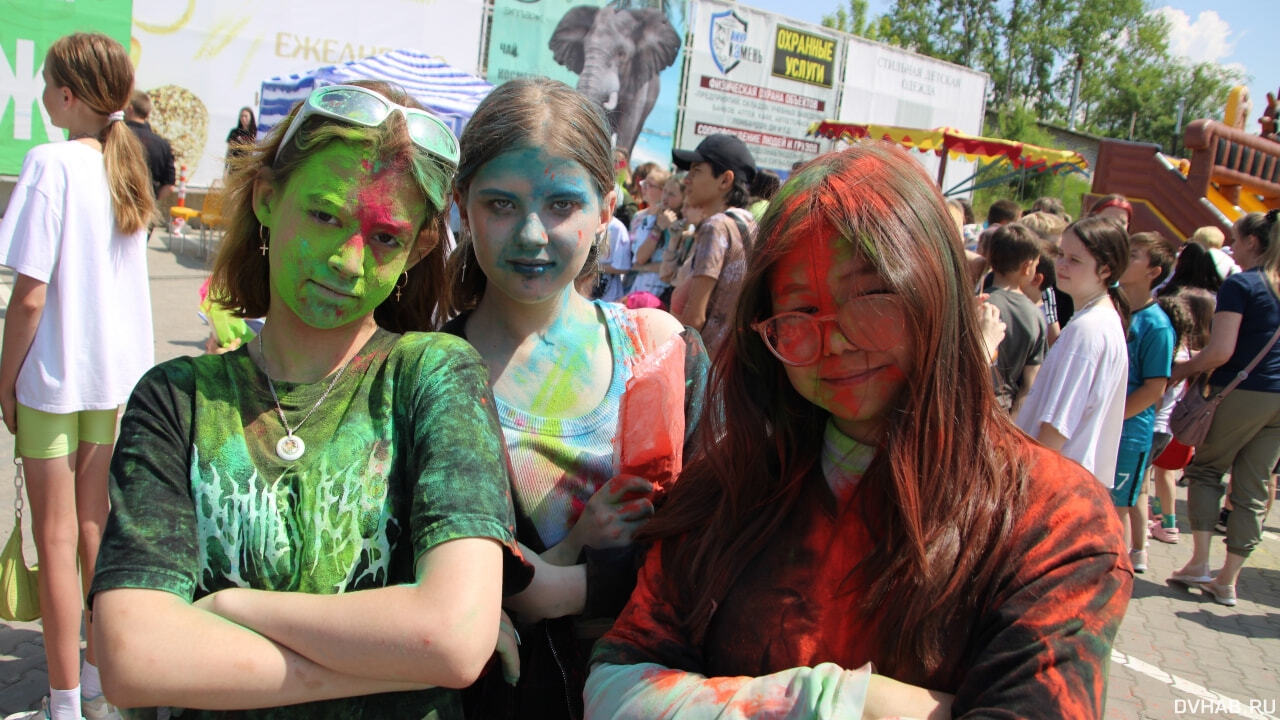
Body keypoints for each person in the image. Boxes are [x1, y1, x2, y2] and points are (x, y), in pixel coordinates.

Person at [585, 144, 1131, 718]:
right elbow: (618, 681)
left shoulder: (1056, 521)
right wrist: (840, 702)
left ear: (936, 290)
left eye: (870, 297)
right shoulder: (731, 485)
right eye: (797, 311)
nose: (837, 339)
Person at [87, 80, 530, 718]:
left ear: (420, 247)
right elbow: (134, 657)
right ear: (268, 198)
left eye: (385, 237)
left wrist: (233, 607)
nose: (349, 261)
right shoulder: (176, 401)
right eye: (325, 216)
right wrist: (394, 662)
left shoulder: (433, 377)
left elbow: (452, 639)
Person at [440, 77, 709, 720]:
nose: (532, 234)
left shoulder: (662, 353)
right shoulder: (427, 373)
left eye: (562, 205)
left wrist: (569, 587)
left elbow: (720, 547)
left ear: (606, 207)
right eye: (501, 205)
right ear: (460, 205)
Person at [0, 33, 156, 720]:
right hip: (111, 383)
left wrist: (4, 383)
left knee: (57, 541)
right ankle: (99, 688)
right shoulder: (126, 167)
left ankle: (62, 706)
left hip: (53, 382)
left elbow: (28, 295)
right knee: (92, 531)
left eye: (45, 83)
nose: (39, 95)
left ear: (68, 95)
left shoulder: (50, 163)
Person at [1168, 211, 1280, 607]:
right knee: (1253, 488)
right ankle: (1228, 579)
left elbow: (1221, 351)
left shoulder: (1244, 285)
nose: (1231, 245)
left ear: (1256, 242)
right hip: (1277, 400)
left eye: (1236, 237)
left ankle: (1199, 562)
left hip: (1242, 390)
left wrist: (1180, 370)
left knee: (1206, 470)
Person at [1015, 216, 1131, 486]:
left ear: (1105, 270)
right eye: (1061, 254)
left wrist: (1024, 483)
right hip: (1072, 482)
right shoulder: (1101, 320)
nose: (1062, 265)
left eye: (1075, 260)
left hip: (1053, 482)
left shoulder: (1087, 330)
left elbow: (1057, 426)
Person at [1113, 231, 1177, 572]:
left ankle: (1115, 578)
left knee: (1115, 512)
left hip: (1129, 434)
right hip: (1106, 428)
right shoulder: (1112, 307)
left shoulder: (1157, 326)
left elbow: (1155, 388)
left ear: (1153, 271)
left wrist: (1112, 419)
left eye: (1135, 254)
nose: (1126, 258)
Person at [669, 134, 758, 357]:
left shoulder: (716, 227)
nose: (687, 179)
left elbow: (695, 320)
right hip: (733, 364)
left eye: (696, 171)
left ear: (725, 180)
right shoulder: (749, 223)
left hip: (707, 367)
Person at [1148, 288, 1214, 544]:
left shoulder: (1178, 352)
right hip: (1178, 425)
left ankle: (1153, 523)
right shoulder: (1199, 354)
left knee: (1148, 478)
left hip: (1163, 423)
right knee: (1165, 474)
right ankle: (1169, 521)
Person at [985, 223, 1047, 413]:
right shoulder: (1036, 316)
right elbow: (1030, 385)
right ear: (1027, 267)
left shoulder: (977, 305)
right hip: (1002, 413)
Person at [628, 172, 681, 306]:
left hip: (662, 298)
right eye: (665, 192)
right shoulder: (650, 219)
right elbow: (639, 258)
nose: (665, 198)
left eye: (672, 194)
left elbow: (672, 269)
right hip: (640, 292)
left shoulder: (684, 227)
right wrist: (658, 228)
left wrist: (644, 267)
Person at [124, 89, 176, 202]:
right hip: (146, 207)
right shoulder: (163, 145)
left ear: (129, 109)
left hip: (117, 204)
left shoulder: (116, 137)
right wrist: (152, 204)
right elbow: (169, 185)